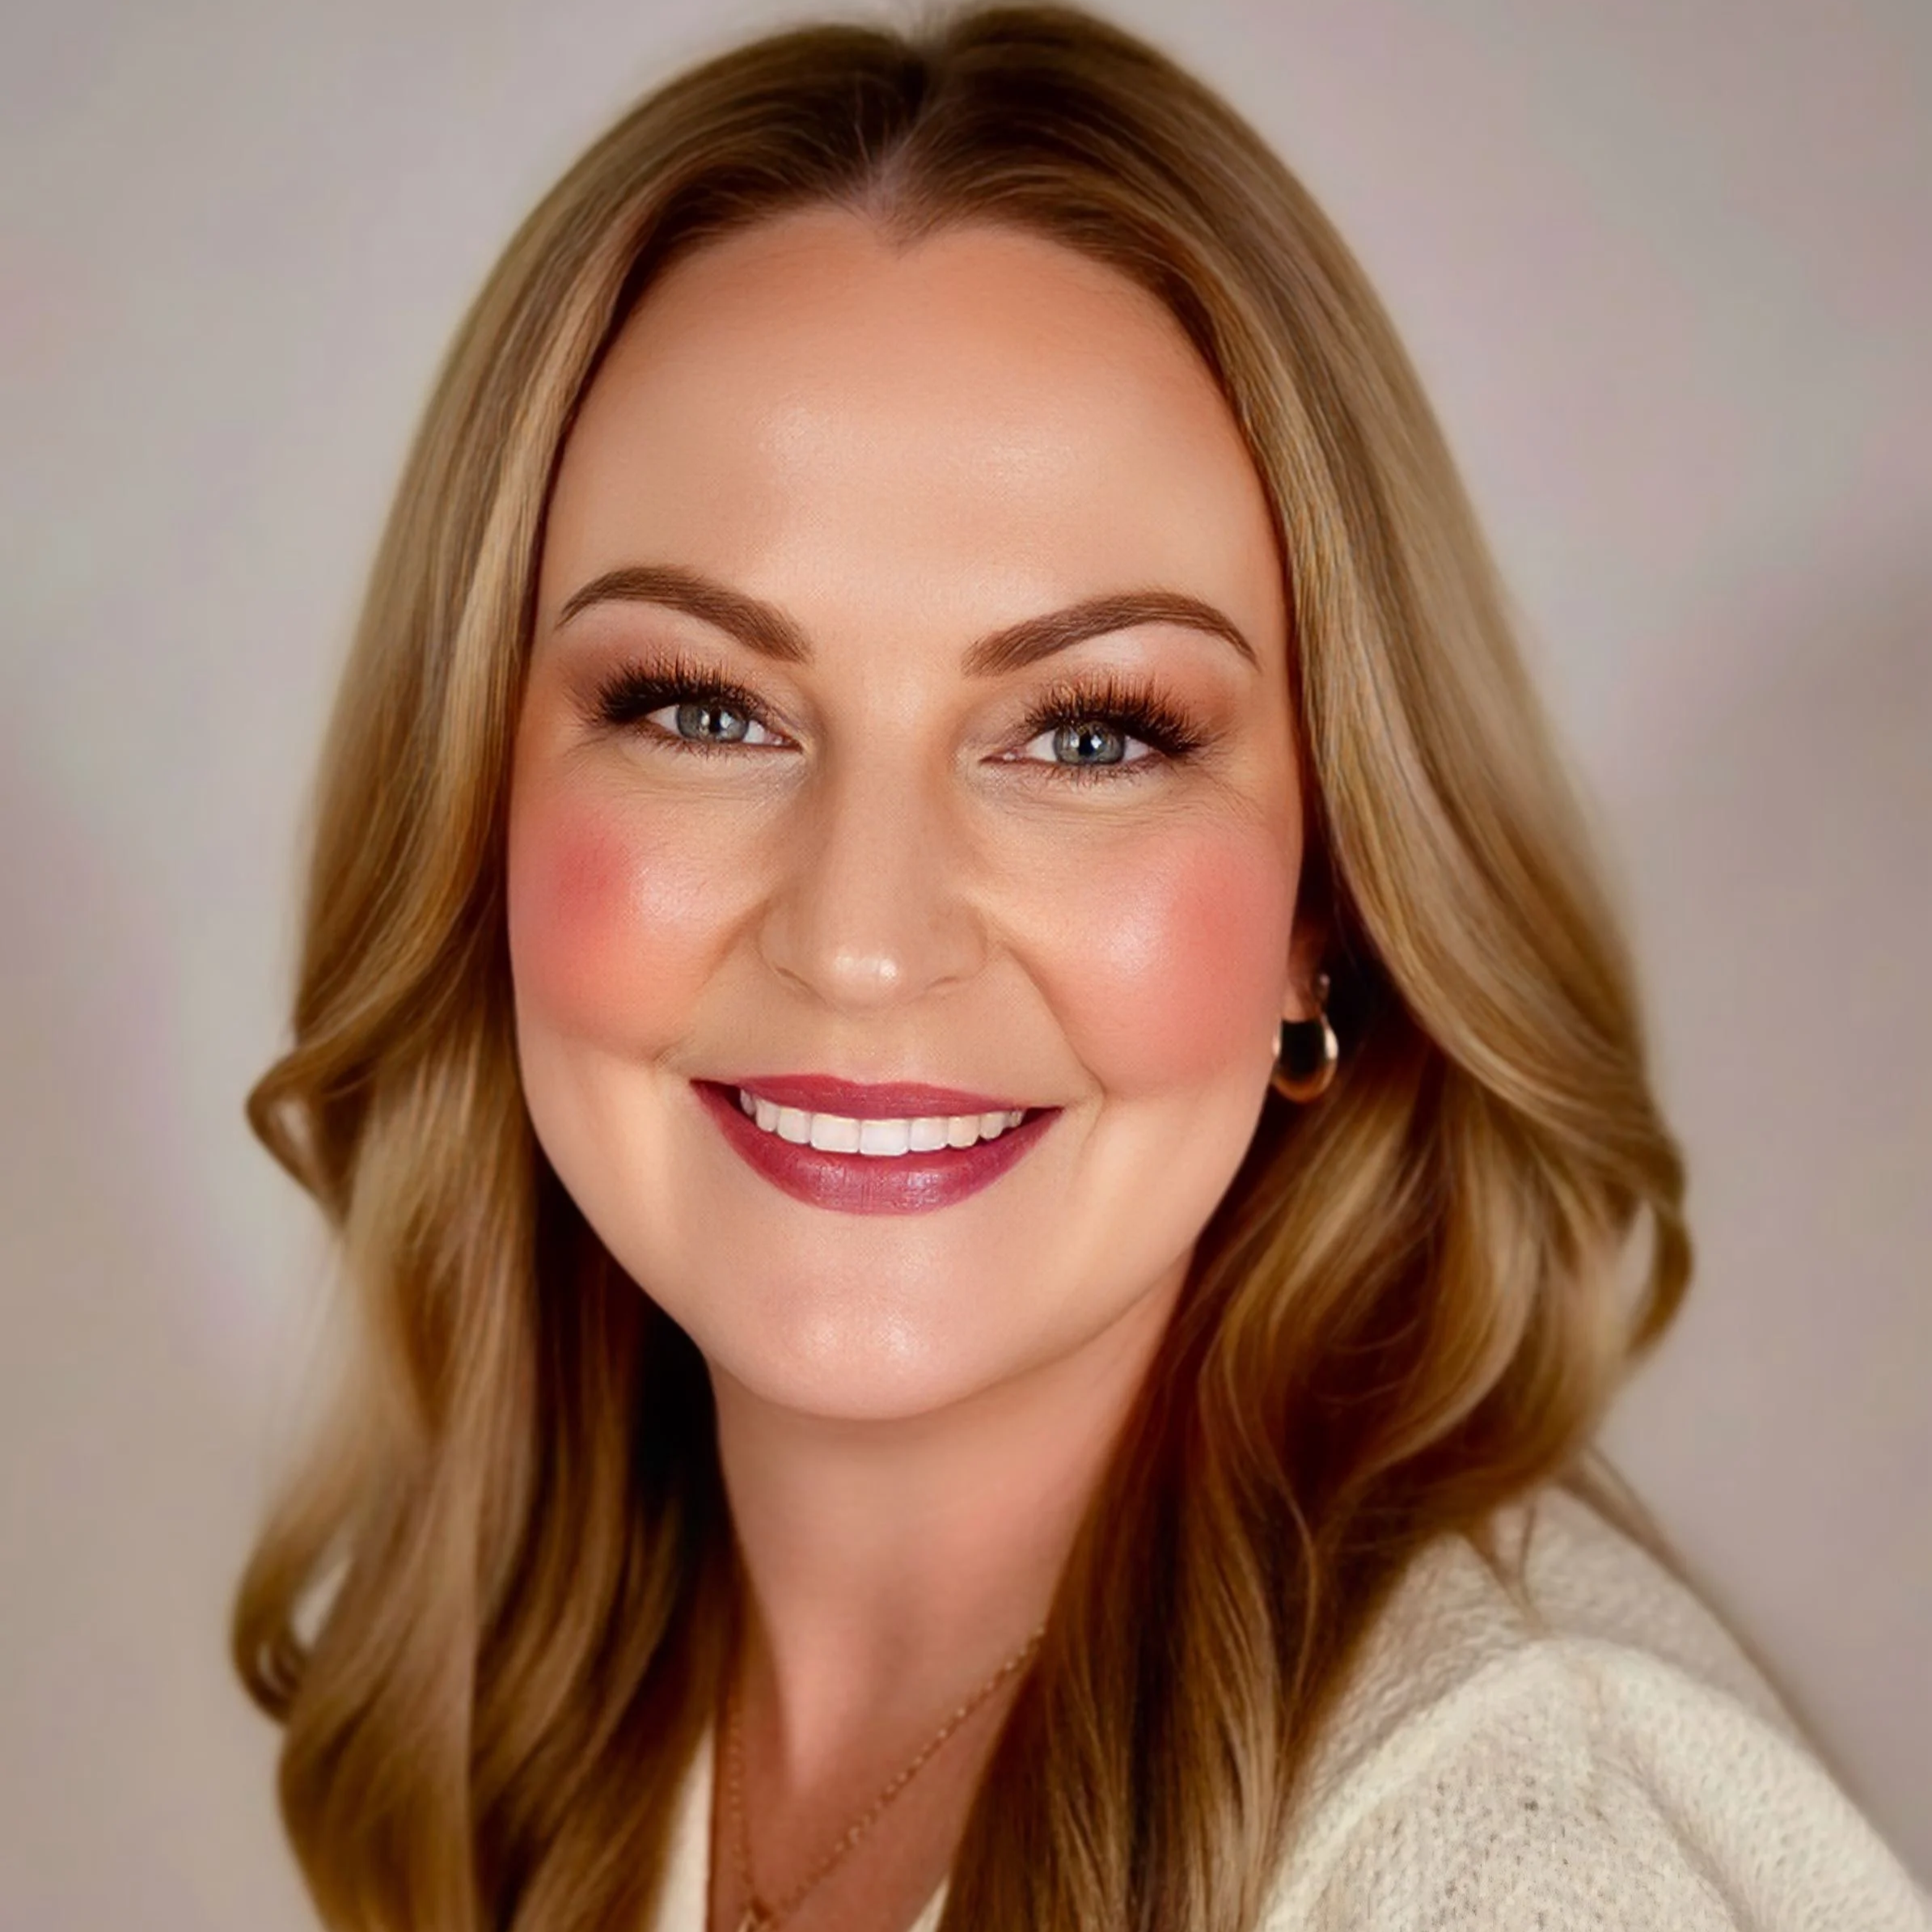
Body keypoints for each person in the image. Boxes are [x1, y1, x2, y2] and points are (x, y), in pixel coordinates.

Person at [230, 6, 1931, 1930]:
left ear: (1333, 901)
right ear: (475, 806)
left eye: (1093, 734)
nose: (864, 939)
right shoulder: (564, 1709)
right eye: (701, 708)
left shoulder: (1520, 1855)